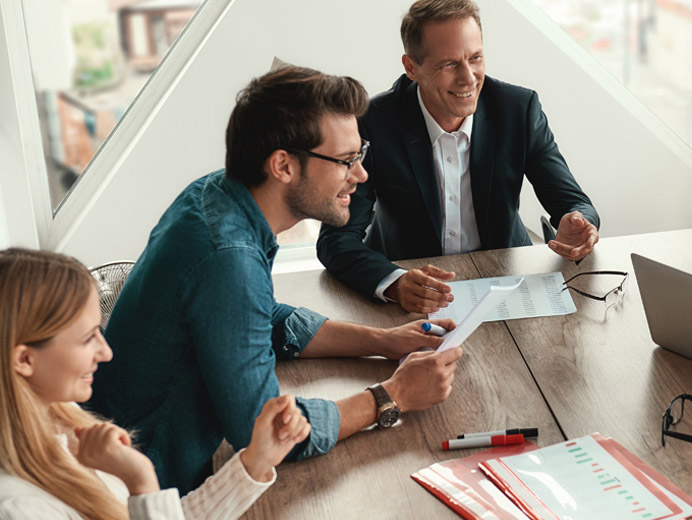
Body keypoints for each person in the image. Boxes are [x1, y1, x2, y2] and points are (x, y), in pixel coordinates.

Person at [88, 66, 463, 495]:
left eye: (360, 156)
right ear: (283, 164)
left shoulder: (213, 195)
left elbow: (259, 318)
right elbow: (269, 432)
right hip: (145, 489)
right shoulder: (228, 259)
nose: (360, 176)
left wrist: (382, 341)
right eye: (346, 161)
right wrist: (392, 397)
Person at [316, 0, 601, 314]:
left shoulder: (518, 110)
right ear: (411, 68)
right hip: (411, 289)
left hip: (507, 281)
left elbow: (573, 202)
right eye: (449, 64)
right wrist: (395, 282)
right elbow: (336, 240)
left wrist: (578, 223)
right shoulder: (373, 122)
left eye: (475, 58)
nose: (469, 78)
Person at [0, 248, 311, 520]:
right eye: (87, 338)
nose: (106, 352)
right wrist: (141, 481)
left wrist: (256, 461)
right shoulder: (19, 509)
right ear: (24, 360)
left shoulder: (58, 417)